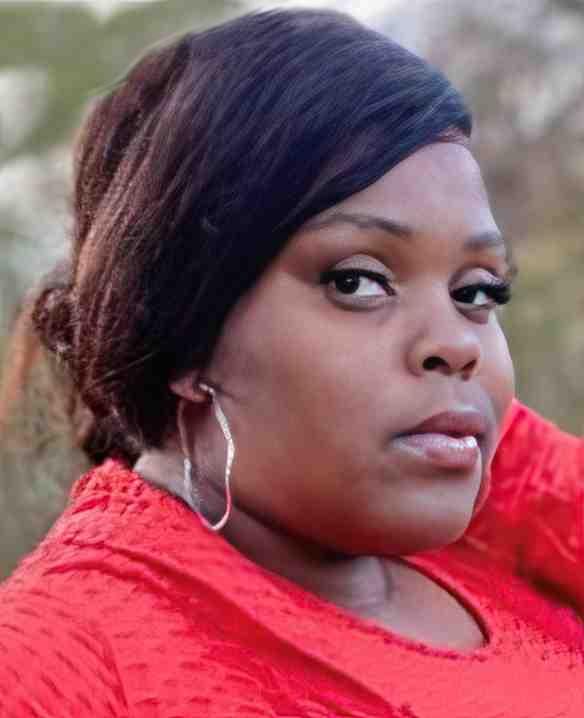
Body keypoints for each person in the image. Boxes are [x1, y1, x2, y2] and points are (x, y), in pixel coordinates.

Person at [1, 8, 584, 717]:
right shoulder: (63, 663)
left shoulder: (507, 562)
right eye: (358, 281)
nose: (459, 341)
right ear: (184, 332)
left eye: (478, 291)